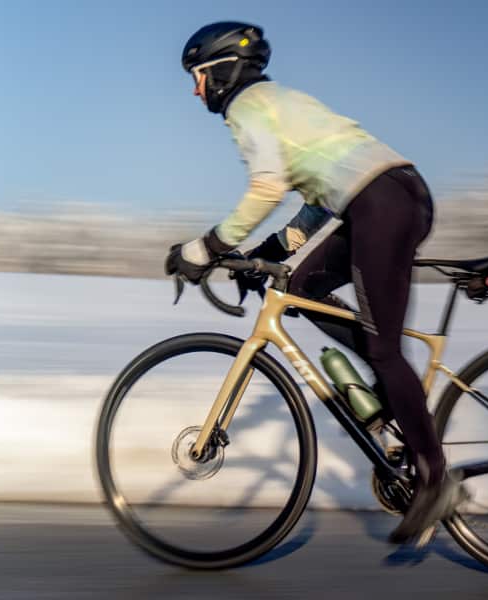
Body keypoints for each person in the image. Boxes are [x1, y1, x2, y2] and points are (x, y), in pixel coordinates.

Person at [164, 21, 461, 545]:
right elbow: (319, 192)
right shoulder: (280, 101)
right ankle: (389, 394)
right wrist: (272, 252)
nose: (195, 90)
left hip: (379, 205)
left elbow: (266, 187)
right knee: (300, 288)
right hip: (390, 196)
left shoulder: (246, 106)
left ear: (223, 71)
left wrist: (207, 247)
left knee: (386, 348)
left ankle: (433, 478)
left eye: (199, 76)